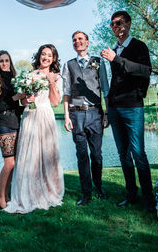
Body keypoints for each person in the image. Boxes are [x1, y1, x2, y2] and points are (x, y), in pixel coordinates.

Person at [100, 11, 156, 212]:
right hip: (115, 108)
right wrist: (108, 107)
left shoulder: (138, 46)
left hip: (132, 107)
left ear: (128, 23)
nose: (116, 27)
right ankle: (131, 194)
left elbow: (145, 71)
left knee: (138, 153)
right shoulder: (114, 48)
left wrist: (116, 59)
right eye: (113, 25)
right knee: (123, 154)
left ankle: (149, 199)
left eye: (119, 23)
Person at [4, 44, 64, 214]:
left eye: (49, 55)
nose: (46, 58)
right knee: (30, 155)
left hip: (45, 115)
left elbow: (54, 102)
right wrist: (26, 100)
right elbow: (22, 101)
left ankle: (48, 190)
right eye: (43, 54)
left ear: (53, 59)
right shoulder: (29, 75)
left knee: (46, 153)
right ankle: (29, 192)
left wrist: (52, 83)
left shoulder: (57, 76)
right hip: (30, 116)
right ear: (39, 56)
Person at [62, 31, 109, 206]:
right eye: (74, 40)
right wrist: (66, 115)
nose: (77, 42)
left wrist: (106, 113)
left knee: (96, 155)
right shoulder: (68, 65)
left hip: (95, 113)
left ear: (87, 43)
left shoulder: (98, 62)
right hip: (76, 114)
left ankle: (99, 187)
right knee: (82, 155)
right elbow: (66, 92)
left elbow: (105, 88)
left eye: (81, 39)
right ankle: (86, 193)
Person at [0, 50, 24, 209]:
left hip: (17, 122)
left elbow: (17, 106)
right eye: (1, 61)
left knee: (14, 164)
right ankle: (1, 198)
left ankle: (8, 195)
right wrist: (16, 98)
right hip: (3, 123)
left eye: (7, 60)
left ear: (10, 62)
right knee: (9, 163)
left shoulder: (16, 80)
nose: (4, 63)